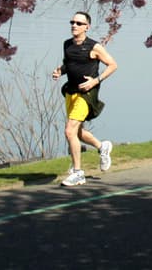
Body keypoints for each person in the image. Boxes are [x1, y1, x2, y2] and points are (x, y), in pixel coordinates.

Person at [51, 11, 118, 187]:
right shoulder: (67, 44)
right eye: (72, 22)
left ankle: (78, 172)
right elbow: (70, 63)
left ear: (87, 27)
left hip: (86, 94)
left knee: (69, 131)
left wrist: (96, 80)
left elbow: (113, 65)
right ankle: (102, 147)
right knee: (77, 132)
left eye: (79, 23)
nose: (74, 25)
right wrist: (60, 71)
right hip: (71, 91)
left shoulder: (94, 47)